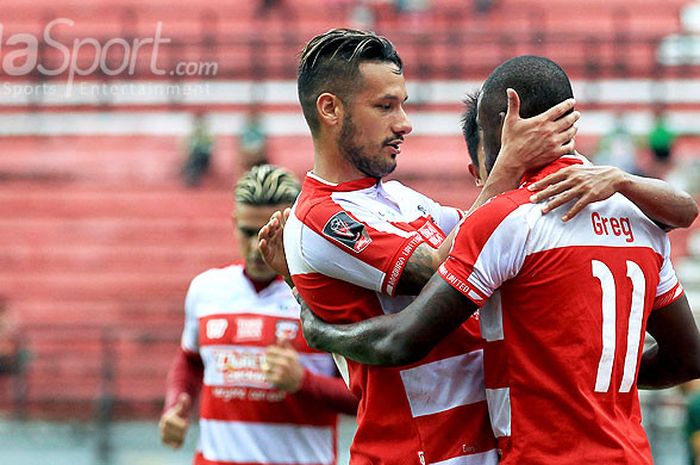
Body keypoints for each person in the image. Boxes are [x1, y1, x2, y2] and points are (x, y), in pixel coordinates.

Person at [298, 56, 700, 464]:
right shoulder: (638, 218)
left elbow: (401, 340)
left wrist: (323, 334)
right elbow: (689, 357)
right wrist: (597, 380)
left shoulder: (508, 219)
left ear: (504, 123)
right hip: (632, 452)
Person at [260, 28, 583, 465]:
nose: (404, 123)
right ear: (330, 109)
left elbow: (486, 235)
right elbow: (442, 266)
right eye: (385, 106)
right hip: (419, 453)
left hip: (484, 447)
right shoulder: (318, 218)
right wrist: (509, 163)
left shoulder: (403, 198)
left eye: (403, 105)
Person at [159, 164, 357, 465]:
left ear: (293, 226)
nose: (257, 245)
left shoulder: (325, 296)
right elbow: (190, 358)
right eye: (248, 232)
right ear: (234, 222)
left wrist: (303, 382)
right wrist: (175, 404)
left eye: (269, 230)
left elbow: (365, 398)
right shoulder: (206, 288)